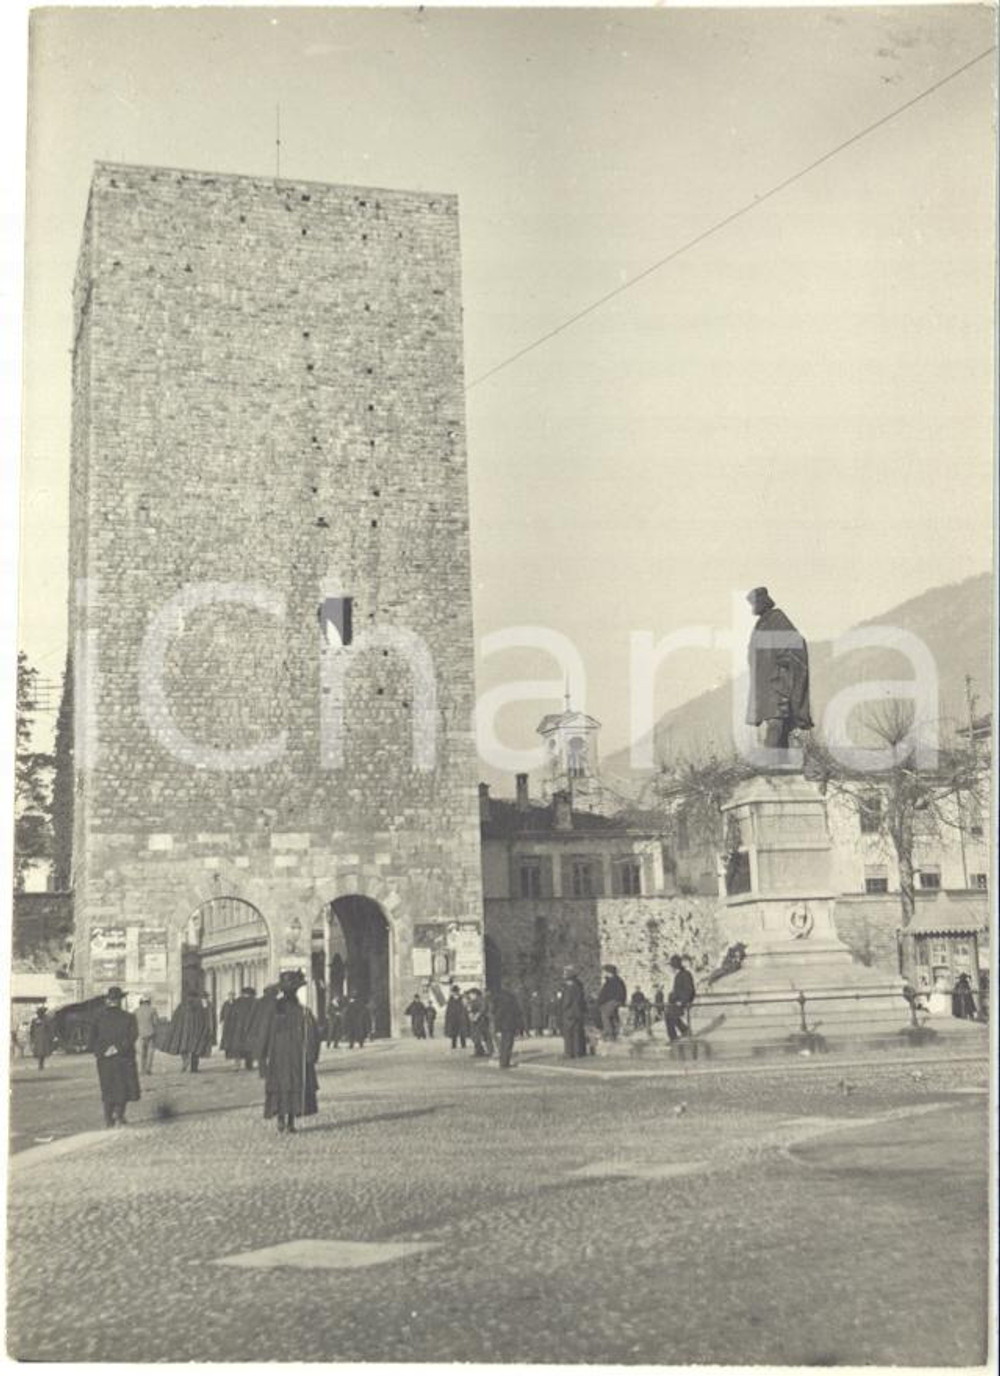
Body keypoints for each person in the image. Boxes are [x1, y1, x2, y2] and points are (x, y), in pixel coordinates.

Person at [745, 586, 813, 751]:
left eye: (755, 603)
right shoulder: (762, 624)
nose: (753, 607)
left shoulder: (777, 619)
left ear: (763, 602)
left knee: (777, 723)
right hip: (766, 684)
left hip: (778, 683)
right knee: (776, 723)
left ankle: (771, 765)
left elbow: (796, 643)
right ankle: (779, 767)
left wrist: (783, 662)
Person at [258, 970, 320, 1134]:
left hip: (278, 1055)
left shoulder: (274, 1011)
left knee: (280, 1086)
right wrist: (312, 1055)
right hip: (296, 1056)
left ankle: (281, 1119)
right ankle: (291, 1121)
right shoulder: (303, 1012)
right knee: (295, 1086)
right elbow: (313, 1036)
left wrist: (262, 1056)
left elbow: (264, 1033)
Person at [90, 986, 140, 1128]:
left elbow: (92, 1038)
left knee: (107, 1086)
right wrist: (117, 1048)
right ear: (120, 1000)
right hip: (123, 1057)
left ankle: (108, 1118)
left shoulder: (98, 1017)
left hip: (104, 1059)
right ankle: (119, 1114)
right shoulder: (129, 1017)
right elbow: (132, 1036)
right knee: (123, 1086)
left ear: (107, 1000)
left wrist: (102, 1051)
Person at [162, 991, 213, 1071]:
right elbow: (206, 1017)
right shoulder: (201, 1004)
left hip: (184, 1031)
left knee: (183, 1047)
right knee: (195, 1049)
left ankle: (185, 1061)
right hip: (197, 1031)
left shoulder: (182, 1005)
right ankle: (194, 1068)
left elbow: (175, 1018)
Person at [221, 987, 258, 1069]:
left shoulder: (237, 1001)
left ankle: (237, 1065)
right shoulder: (255, 1001)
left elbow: (232, 1014)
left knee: (237, 1047)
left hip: (238, 1028)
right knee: (249, 1047)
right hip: (251, 1028)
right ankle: (249, 1065)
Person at [665, 955, 696, 1043]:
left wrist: (682, 1001)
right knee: (670, 1014)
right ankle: (683, 1031)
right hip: (677, 1001)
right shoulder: (679, 975)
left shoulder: (685, 975)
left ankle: (676, 1036)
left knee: (670, 1015)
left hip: (682, 1001)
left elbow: (689, 989)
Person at [492, 985, 524, 1069]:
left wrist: (497, 1027)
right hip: (511, 1024)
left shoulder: (499, 999)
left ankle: (503, 1062)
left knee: (503, 1044)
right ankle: (505, 1062)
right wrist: (519, 1027)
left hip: (502, 1024)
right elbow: (518, 1012)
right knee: (508, 1044)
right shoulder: (512, 999)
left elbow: (496, 1013)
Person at [559, 966, 587, 1058]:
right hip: (578, 1012)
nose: (563, 975)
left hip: (569, 1012)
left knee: (568, 1033)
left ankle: (568, 1053)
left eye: (564, 973)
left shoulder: (568, 987)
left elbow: (567, 1000)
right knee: (576, 1033)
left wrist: (562, 1008)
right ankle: (577, 1052)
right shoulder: (578, 985)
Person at [597, 964, 627, 1040]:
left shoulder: (614, 981)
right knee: (612, 1017)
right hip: (611, 1001)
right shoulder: (612, 981)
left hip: (612, 1001)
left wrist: (604, 1001)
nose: (603, 973)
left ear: (609, 972)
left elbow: (612, 993)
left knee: (606, 1015)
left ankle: (608, 1034)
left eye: (605, 971)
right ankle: (613, 1033)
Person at [135, 995, 159, 1075]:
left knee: (141, 1053)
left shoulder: (136, 1010)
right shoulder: (153, 1010)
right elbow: (155, 1022)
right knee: (150, 1052)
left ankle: (142, 1069)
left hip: (140, 1033)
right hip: (150, 1033)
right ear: (149, 1002)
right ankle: (148, 1069)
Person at [29, 1004, 55, 1071]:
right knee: (39, 1052)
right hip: (38, 1038)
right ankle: (40, 1065)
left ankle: (41, 1065)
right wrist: (32, 1038)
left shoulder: (47, 1019)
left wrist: (51, 1037)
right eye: (39, 1012)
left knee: (42, 1052)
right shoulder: (35, 1020)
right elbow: (32, 1030)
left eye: (41, 1012)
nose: (39, 1013)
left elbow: (50, 1029)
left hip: (43, 1038)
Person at [444, 985, 469, 1050]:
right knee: (453, 1032)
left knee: (462, 1032)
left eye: (456, 991)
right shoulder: (451, 999)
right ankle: (453, 1045)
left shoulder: (462, 998)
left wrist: (464, 1015)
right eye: (454, 992)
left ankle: (463, 1044)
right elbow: (448, 1009)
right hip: (453, 1018)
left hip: (460, 1017)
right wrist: (448, 1017)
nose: (455, 993)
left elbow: (464, 1007)